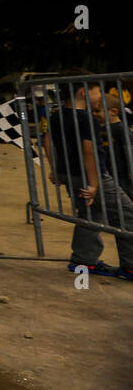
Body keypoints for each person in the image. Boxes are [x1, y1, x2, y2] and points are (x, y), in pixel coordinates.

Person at [42, 78, 133, 280]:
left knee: (90, 215)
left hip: (70, 174)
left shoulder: (57, 116)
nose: (100, 96)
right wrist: (93, 184)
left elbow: (48, 141)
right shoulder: (86, 119)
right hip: (92, 177)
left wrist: (55, 168)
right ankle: (131, 266)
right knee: (127, 214)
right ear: (83, 92)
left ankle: (83, 260)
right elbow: (89, 152)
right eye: (96, 91)